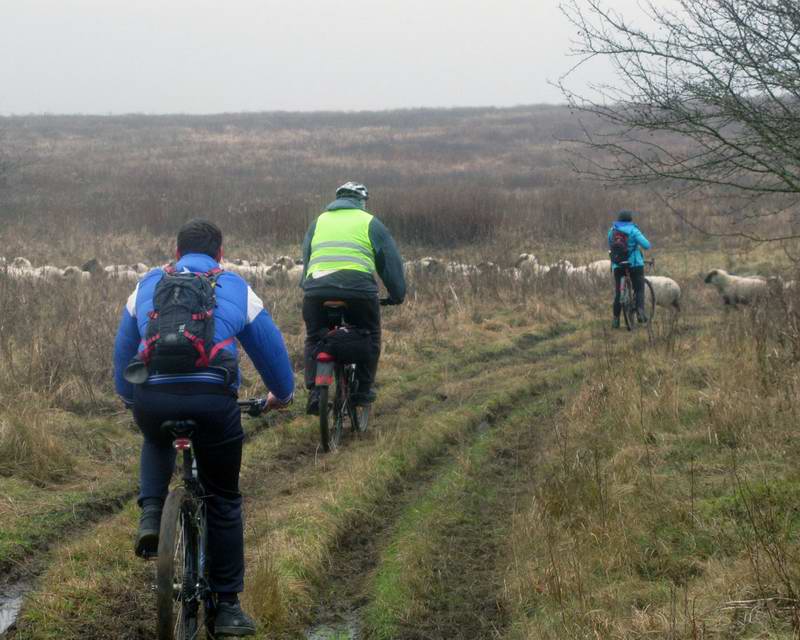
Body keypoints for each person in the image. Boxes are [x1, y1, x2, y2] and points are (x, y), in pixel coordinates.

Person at [113, 219, 294, 636]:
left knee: (154, 434)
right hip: (213, 403)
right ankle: (227, 607)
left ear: (175, 253)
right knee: (225, 499)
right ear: (220, 253)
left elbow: (123, 353)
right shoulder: (233, 287)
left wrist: (130, 398)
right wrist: (280, 396)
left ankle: (152, 514)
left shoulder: (147, 285)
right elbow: (271, 351)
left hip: (153, 397)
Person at [301, 181, 405, 414]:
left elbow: (307, 257)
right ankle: (362, 391)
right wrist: (397, 294)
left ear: (337, 199)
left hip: (316, 290)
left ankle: (316, 391)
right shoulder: (370, 222)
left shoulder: (318, 221)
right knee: (371, 334)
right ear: (362, 201)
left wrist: (307, 287)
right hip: (358, 291)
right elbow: (390, 262)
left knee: (314, 336)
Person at [608, 209, 651, 328]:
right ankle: (640, 314)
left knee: (618, 293)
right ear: (630, 220)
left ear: (619, 219)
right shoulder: (633, 230)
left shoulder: (612, 231)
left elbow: (610, 246)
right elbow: (647, 245)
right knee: (639, 288)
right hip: (634, 265)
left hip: (618, 265)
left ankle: (615, 320)